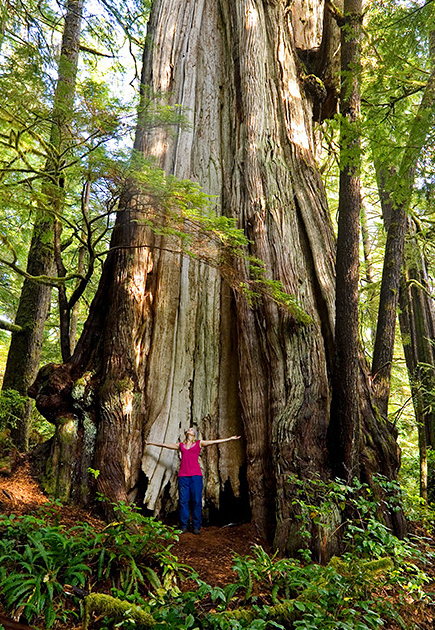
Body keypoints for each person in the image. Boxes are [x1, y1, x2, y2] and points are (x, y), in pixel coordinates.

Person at [146, 428, 241, 534]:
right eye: (189, 429)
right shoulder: (180, 445)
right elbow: (165, 445)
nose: (190, 430)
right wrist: (151, 443)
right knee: (183, 501)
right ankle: (184, 526)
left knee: (196, 501)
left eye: (192, 429)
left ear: (194, 434)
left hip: (196, 476)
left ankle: (196, 526)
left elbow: (214, 441)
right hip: (183, 476)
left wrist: (230, 439)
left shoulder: (199, 443)